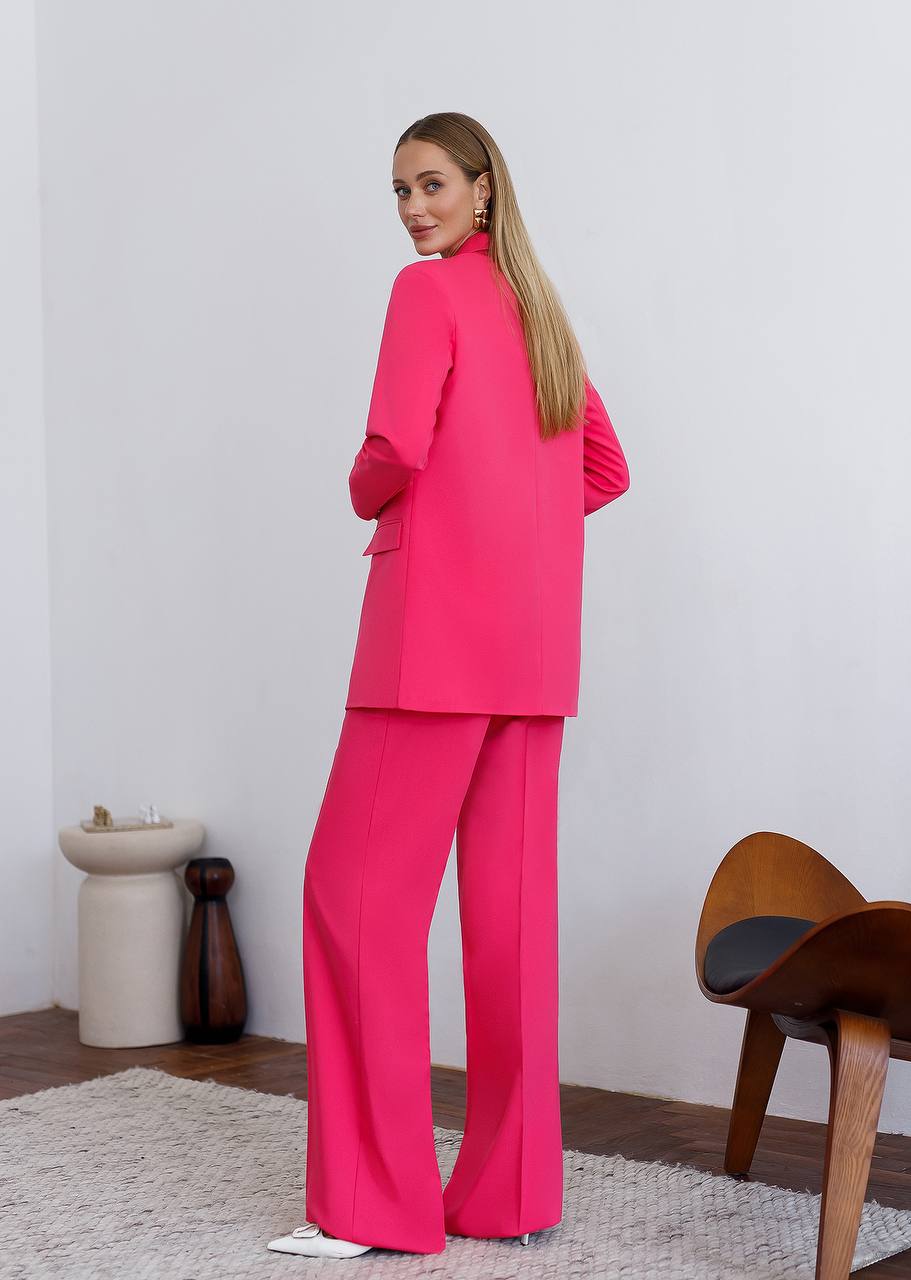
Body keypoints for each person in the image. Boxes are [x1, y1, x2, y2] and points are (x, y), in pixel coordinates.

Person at [268, 111, 629, 1261]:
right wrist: (509, 537)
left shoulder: (426, 295)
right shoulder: (539, 310)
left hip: (427, 650)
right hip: (529, 657)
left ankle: (374, 1205)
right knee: (510, 925)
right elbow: (602, 468)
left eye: (430, 185)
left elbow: (396, 447)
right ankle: (510, 1197)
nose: (414, 208)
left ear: (482, 188)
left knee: (354, 903)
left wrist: (364, 491)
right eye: (399, 192)